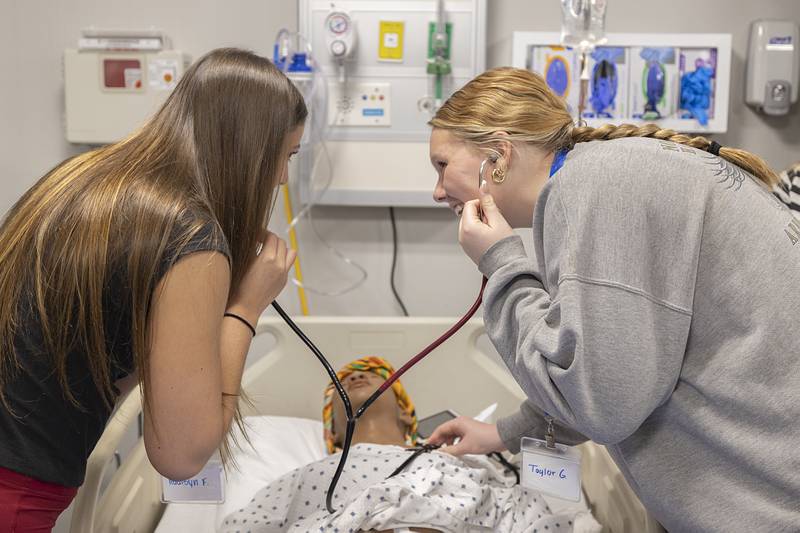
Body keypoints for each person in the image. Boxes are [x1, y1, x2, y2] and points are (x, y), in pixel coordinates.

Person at [426, 67, 800, 532]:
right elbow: (612, 367)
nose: (438, 191)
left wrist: (501, 263)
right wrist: (500, 434)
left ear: (498, 155)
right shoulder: (606, 177)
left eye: (442, 166)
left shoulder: (599, 188)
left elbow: (599, 405)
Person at [0, 48, 303, 529]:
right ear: (250, 150)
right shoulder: (191, 238)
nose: (283, 176)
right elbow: (182, 456)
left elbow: (90, 354)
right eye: (285, 155)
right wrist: (246, 306)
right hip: (13, 487)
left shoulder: (86, 180)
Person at [220, 356, 598, 533]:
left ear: (406, 414)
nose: (352, 379)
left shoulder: (454, 463)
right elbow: (249, 523)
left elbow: (511, 507)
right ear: (332, 432)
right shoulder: (317, 475)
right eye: (340, 384)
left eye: (370, 375)